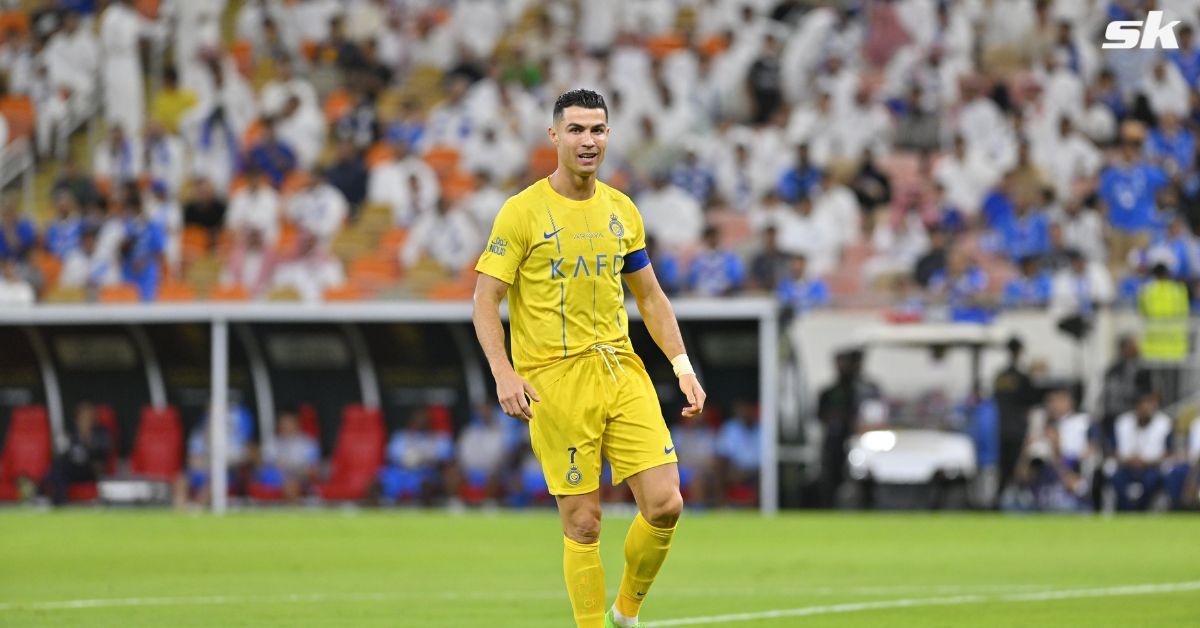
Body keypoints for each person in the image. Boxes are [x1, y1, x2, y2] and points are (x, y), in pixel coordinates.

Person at [472, 90, 705, 628]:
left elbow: (649, 295)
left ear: (608, 136)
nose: (588, 140)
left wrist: (682, 365)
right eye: (576, 130)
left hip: (621, 368)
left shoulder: (622, 210)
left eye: (597, 130)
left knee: (666, 503)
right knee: (584, 524)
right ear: (554, 137)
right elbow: (485, 298)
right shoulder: (521, 212)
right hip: (554, 381)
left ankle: (627, 612)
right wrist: (504, 373)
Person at [992, 337, 1039, 506]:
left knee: (1003, 468)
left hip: (1001, 427)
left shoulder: (1000, 377)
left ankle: (999, 501)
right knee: (1017, 467)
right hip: (1017, 428)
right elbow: (1032, 401)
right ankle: (1016, 503)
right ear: (1019, 352)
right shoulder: (1022, 377)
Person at [1111, 391, 1176, 511]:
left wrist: (1147, 461)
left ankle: (1143, 511)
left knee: (1152, 480)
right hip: (1126, 466)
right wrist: (1128, 460)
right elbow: (1113, 449)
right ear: (1137, 405)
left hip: (1151, 467)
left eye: (1151, 403)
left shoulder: (1164, 423)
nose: (1147, 407)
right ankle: (1123, 512)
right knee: (1116, 478)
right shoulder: (1123, 422)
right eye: (1144, 403)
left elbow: (1170, 452)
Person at [45, 403, 113, 505]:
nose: (85, 420)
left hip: (91, 470)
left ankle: (42, 492)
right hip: (72, 469)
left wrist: (87, 440)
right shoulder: (71, 434)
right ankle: (52, 497)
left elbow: (102, 455)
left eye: (88, 417)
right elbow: (62, 453)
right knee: (59, 467)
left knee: (63, 468)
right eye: (83, 417)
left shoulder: (101, 433)